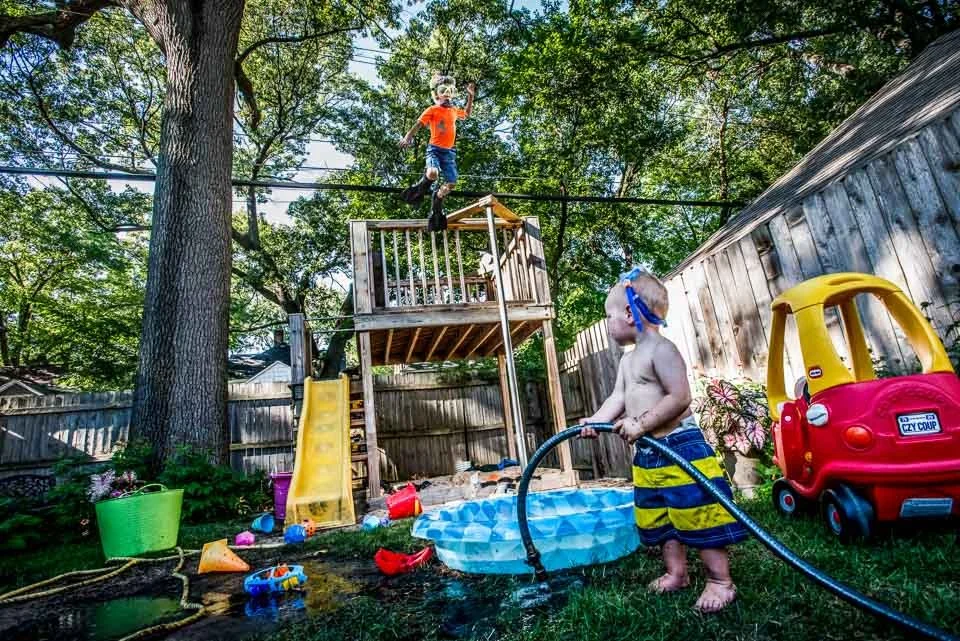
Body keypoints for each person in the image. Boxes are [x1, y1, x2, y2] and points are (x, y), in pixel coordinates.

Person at [580, 267, 748, 613]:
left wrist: (641, 423)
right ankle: (677, 573)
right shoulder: (628, 361)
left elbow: (679, 397)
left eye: (607, 315)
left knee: (699, 512)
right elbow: (617, 399)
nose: (608, 323)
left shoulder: (662, 350)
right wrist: (596, 421)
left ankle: (720, 581)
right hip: (648, 455)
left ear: (628, 313)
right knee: (663, 518)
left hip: (679, 448)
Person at [399, 74, 475, 232]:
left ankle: (437, 202)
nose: (447, 94)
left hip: (449, 153)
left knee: (451, 184)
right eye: (443, 90)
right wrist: (408, 137)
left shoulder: (454, 110)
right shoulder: (432, 109)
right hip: (434, 149)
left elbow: (467, 114)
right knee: (433, 173)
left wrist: (470, 95)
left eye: (450, 91)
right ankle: (419, 189)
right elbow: (418, 124)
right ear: (437, 94)